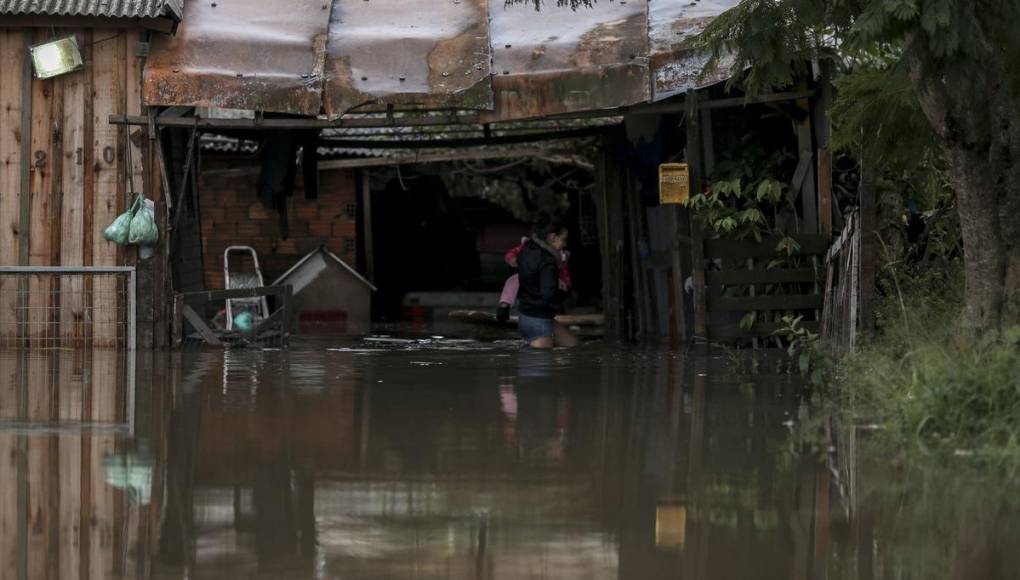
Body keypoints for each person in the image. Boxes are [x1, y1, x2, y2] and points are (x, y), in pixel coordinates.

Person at [516, 215, 578, 349]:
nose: (565, 244)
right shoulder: (548, 261)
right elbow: (548, 294)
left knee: (572, 345)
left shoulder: (526, 248)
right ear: (552, 237)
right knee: (540, 361)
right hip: (539, 319)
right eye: (564, 239)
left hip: (525, 314)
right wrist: (564, 291)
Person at [496, 237, 571, 322]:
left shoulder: (561, 254)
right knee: (512, 281)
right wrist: (514, 260)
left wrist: (565, 282)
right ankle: (504, 307)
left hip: (549, 280)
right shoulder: (529, 246)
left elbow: (564, 273)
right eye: (563, 240)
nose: (564, 244)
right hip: (529, 276)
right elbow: (511, 254)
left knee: (557, 288)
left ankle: (558, 312)